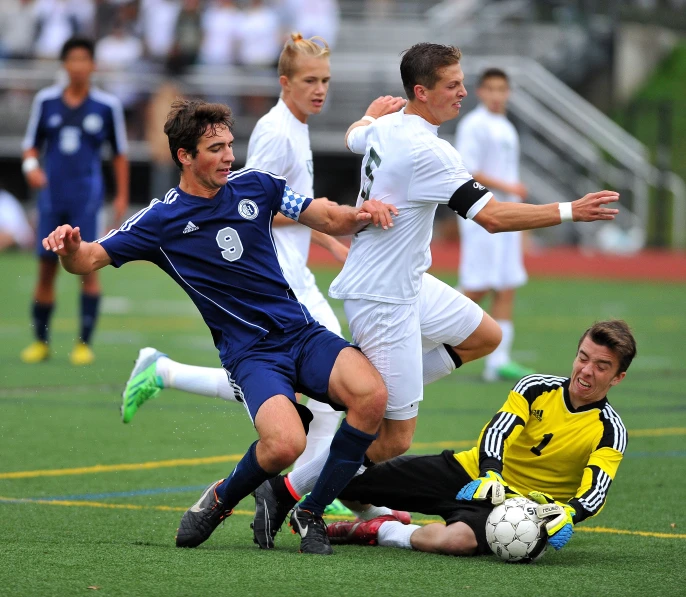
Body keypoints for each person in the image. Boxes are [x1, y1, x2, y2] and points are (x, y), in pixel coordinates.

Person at [251, 42, 620, 547]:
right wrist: (569, 211)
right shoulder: (430, 150)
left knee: (484, 334)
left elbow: (358, 135)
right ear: (421, 92)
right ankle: (290, 494)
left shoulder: (391, 124)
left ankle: (365, 380)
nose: (463, 92)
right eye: (453, 85)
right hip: (383, 297)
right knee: (394, 436)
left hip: (407, 283)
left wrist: (368, 116)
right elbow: (491, 217)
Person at [42, 98, 398, 556]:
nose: (229, 156)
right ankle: (221, 498)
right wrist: (69, 247)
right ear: (185, 157)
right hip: (251, 354)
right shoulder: (160, 219)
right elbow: (87, 259)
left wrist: (362, 212)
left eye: (230, 145)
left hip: (300, 333)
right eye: (215, 148)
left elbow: (326, 216)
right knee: (286, 443)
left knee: (372, 397)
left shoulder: (258, 186)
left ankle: (311, 512)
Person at [121, 33, 391, 523]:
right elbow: (241, 208)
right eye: (310, 80)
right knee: (319, 397)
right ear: (284, 82)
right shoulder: (275, 132)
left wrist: (329, 232)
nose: (320, 89)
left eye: (326, 79)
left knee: (321, 394)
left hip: (295, 268)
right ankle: (304, 489)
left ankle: (167, 374)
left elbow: (288, 201)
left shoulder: (296, 126)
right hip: (273, 275)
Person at [326, 320, 635, 558]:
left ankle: (381, 530)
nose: (586, 370)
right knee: (345, 482)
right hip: (473, 475)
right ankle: (378, 513)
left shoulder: (610, 430)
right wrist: (491, 472)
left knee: (454, 541)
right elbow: (499, 430)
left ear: (618, 378)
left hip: (519, 511)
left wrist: (571, 512)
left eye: (601, 366)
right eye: (583, 357)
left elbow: (596, 488)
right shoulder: (536, 387)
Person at [20, 36, 129, 366]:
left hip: (87, 199)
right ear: (64, 65)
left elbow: (120, 154)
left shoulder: (107, 106)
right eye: (72, 59)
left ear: (93, 65)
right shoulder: (46, 101)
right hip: (52, 198)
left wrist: (121, 196)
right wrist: (31, 169)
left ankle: (84, 344)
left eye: (85, 59)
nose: (79, 66)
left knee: (89, 266)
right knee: (45, 269)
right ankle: (41, 342)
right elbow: (30, 146)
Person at [455, 68, 533, 382]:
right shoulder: (474, 125)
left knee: (507, 283)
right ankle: (424, 334)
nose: (497, 95)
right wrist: (509, 187)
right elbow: (468, 169)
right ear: (480, 91)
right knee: (478, 284)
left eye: (502, 88)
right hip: (482, 215)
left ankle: (498, 361)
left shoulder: (506, 127)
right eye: (491, 88)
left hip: (507, 216)